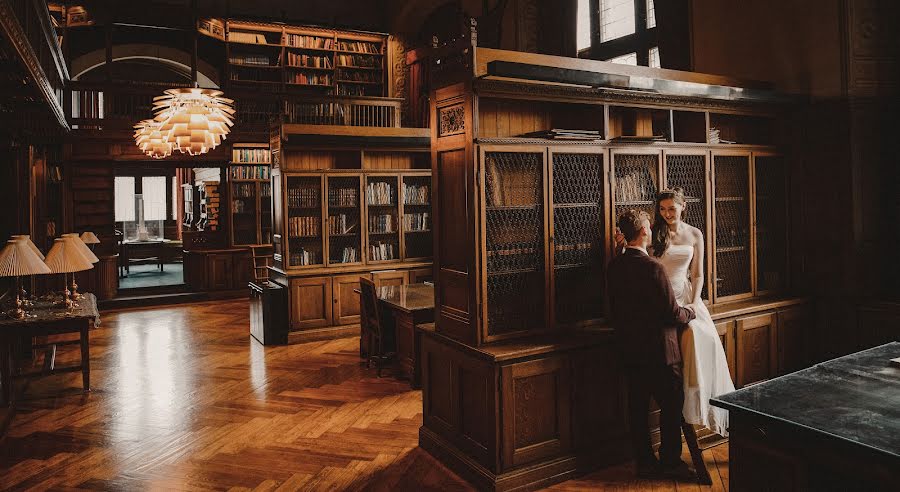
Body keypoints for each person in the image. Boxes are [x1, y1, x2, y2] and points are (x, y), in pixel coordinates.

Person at [607, 209, 696, 479]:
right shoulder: (654, 269)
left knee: (637, 409)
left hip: (630, 350)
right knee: (672, 406)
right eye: (648, 225)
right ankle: (670, 461)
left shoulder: (614, 266)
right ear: (645, 231)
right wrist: (691, 311)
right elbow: (672, 314)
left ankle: (644, 461)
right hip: (660, 353)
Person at [651, 187, 735, 437]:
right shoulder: (655, 233)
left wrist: (694, 303)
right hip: (662, 299)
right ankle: (680, 403)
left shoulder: (695, 234)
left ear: (683, 206)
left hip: (687, 297)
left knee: (703, 340)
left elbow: (698, 274)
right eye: (663, 209)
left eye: (672, 209)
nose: (667, 213)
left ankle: (698, 405)